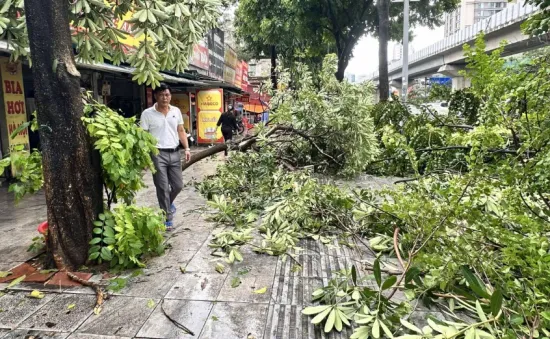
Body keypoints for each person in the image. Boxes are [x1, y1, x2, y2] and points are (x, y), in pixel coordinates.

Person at [140, 83, 191, 231]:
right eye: (162, 95)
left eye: (167, 95)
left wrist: (187, 148)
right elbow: (143, 136)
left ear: (170, 96)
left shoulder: (176, 111)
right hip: (157, 153)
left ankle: (167, 204)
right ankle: (167, 217)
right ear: (156, 96)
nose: (165, 98)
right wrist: (145, 156)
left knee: (178, 185)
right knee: (162, 187)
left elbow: (180, 130)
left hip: (175, 152)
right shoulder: (147, 114)